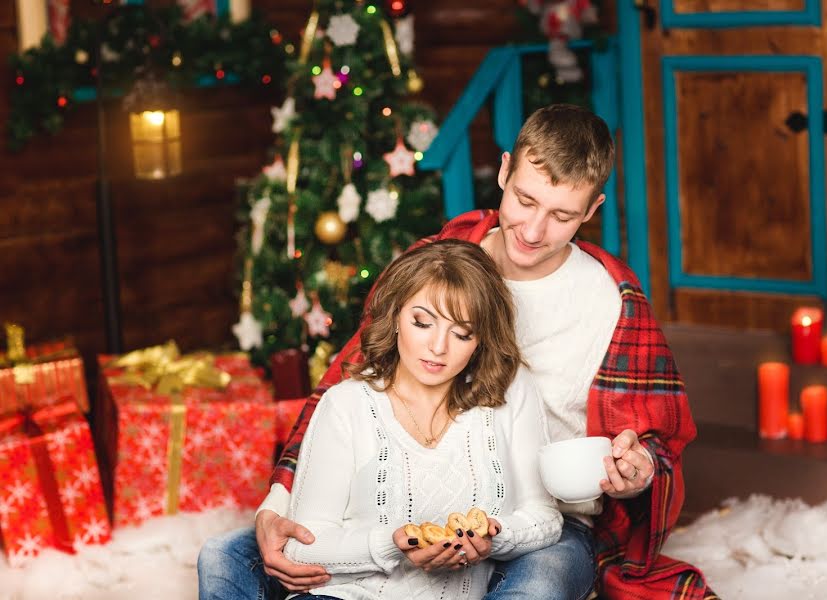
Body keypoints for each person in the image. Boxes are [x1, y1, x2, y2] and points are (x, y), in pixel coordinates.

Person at [200, 104, 717, 600]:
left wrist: (639, 471)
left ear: (593, 209)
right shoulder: (440, 266)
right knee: (228, 555)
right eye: (525, 200)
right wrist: (278, 503)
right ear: (504, 171)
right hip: (401, 503)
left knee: (539, 583)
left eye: (562, 215)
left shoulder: (612, 302)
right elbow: (349, 386)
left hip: (542, 519)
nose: (534, 231)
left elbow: (655, 439)